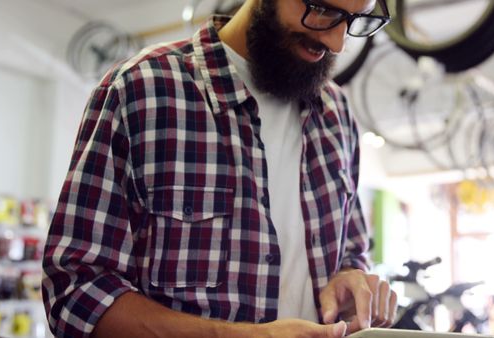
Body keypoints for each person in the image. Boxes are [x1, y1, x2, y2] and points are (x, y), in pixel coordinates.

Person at [42, 0, 397, 337]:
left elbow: (351, 251)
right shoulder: (141, 91)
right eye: (321, 10)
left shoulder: (336, 116)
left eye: (355, 19)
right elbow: (76, 293)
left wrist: (352, 277)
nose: (336, 43)